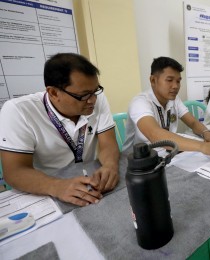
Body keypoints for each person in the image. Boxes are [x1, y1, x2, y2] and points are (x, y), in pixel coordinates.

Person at [0, 53, 120, 207]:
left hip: (90, 181)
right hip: (46, 189)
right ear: (54, 93)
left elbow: (108, 143)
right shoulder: (19, 111)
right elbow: (14, 172)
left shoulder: (96, 98)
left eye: (95, 91)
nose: (92, 100)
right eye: (83, 95)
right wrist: (57, 186)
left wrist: (110, 166)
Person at [123, 56, 210, 157]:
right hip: (138, 159)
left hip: (166, 152)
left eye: (178, 81)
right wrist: (203, 147)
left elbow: (193, 123)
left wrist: (207, 133)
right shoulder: (140, 102)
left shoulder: (174, 99)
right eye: (169, 80)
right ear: (153, 80)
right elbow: (155, 134)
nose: (175, 86)